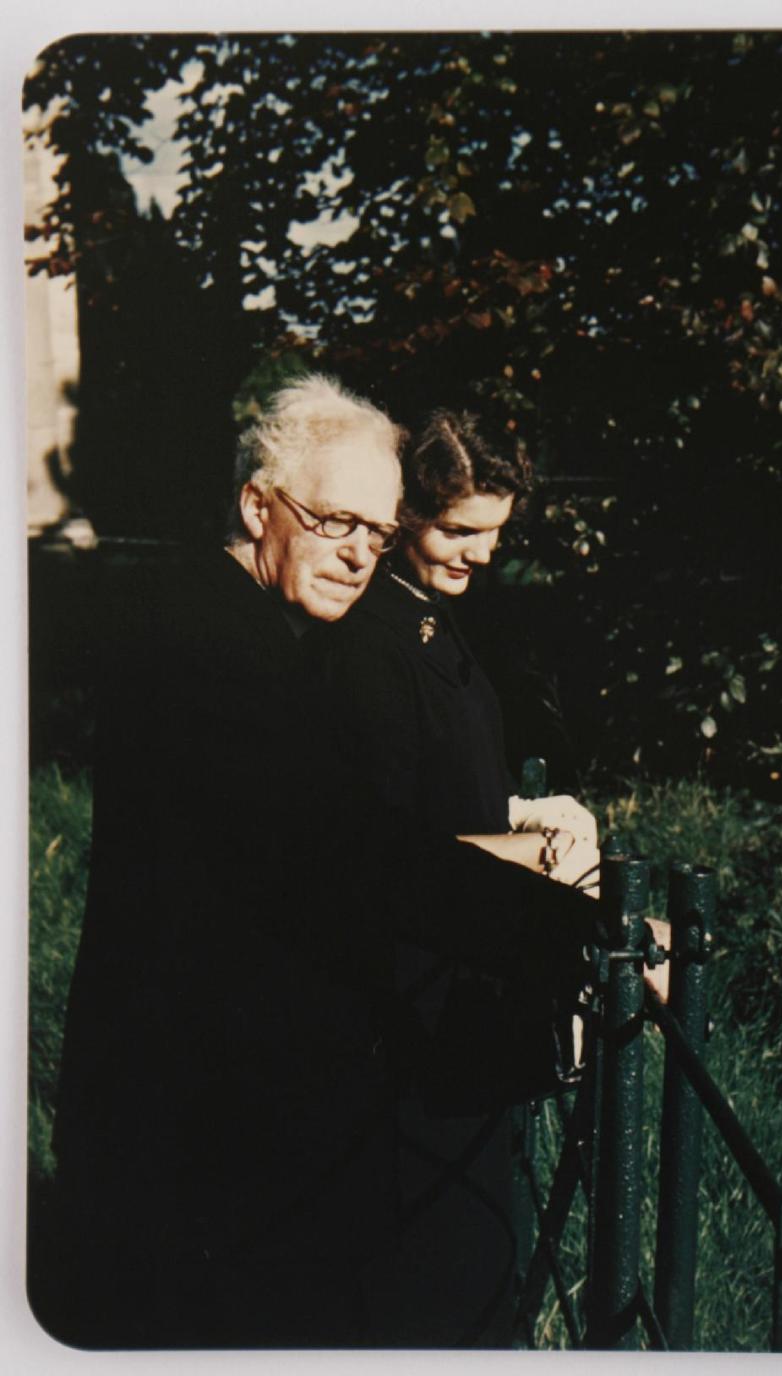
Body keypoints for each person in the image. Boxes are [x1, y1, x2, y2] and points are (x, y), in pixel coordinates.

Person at [37, 377, 601, 1350]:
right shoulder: (206, 645)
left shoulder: (250, 629)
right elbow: (354, 854)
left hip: (219, 1115)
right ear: (260, 504)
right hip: (193, 1129)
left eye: (377, 533)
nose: (357, 552)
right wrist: (594, 935)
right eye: (335, 518)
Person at [312, 410, 661, 1348]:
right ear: (402, 515)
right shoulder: (370, 647)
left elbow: (442, 789)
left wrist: (521, 814)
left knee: (478, 1277)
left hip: (468, 1009)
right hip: (421, 1032)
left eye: (494, 536)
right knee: (441, 1293)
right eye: (457, 531)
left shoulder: (430, 620)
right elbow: (395, 857)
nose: (479, 556)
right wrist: (574, 905)